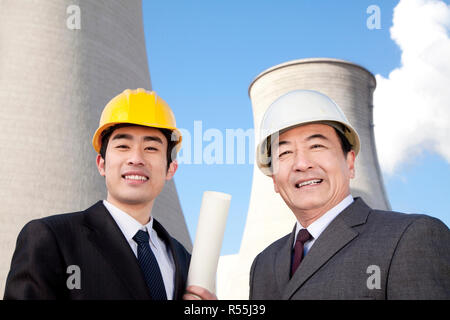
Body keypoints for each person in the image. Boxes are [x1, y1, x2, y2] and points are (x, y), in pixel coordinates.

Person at [4, 88, 214, 300]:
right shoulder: (53, 239)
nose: (136, 158)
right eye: (123, 146)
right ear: (101, 164)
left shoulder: (184, 260)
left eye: (151, 148)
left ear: (171, 169)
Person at [249, 89, 450, 300]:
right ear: (274, 180)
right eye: (285, 153)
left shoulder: (409, 237)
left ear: (350, 162)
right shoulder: (264, 263)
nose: (301, 164)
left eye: (316, 146)